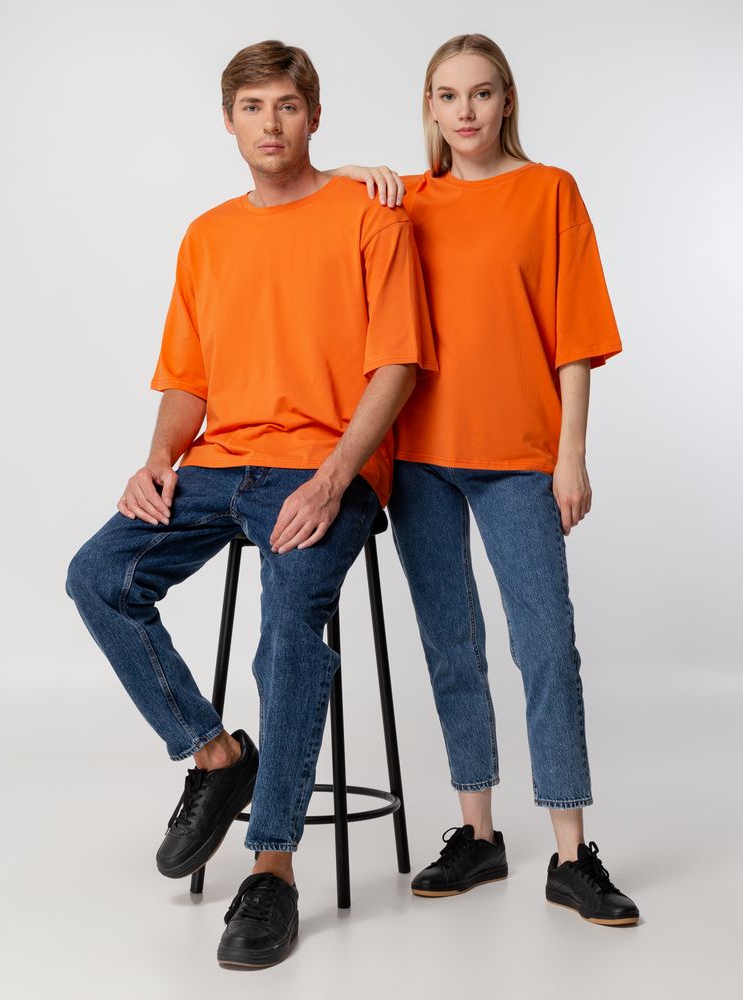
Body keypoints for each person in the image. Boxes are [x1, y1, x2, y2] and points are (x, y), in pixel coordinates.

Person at [66, 38, 437, 968]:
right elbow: (187, 379)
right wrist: (158, 460)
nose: (271, 124)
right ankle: (215, 756)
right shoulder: (207, 236)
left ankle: (272, 867)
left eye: (287, 106)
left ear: (314, 116)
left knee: (288, 627)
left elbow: (397, 364)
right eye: (253, 107)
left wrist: (337, 476)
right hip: (216, 465)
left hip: (322, 468)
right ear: (228, 121)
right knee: (98, 575)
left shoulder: (370, 216)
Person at [332, 32, 639, 926]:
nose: (464, 111)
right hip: (420, 458)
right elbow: (306, 193)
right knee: (451, 645)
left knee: (546, 645)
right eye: (447, 95)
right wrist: (356, 170)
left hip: (519, 457)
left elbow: (575, 334)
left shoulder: (550, 192)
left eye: (481, 93)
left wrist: (571, 454)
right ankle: (478, 834)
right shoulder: (403, 201)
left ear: (507, 101)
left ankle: (572, 855)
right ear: (429, 109)